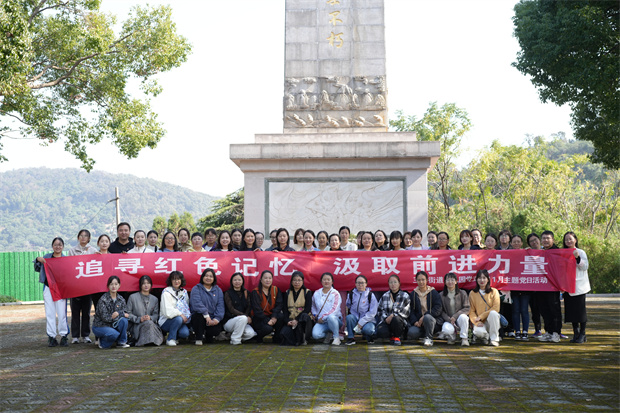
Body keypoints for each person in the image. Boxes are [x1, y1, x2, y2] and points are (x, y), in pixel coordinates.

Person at [34, 237, 69, 347]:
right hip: (48, 287)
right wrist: (37, 259)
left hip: (61, 289)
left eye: (60, 244)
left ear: (63, 246)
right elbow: (37, 268)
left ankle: (64, 336)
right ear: (52, 246)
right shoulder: (46, 257)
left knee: (62, 313)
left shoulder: (66, 259)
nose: (58, 247)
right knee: (50, 312)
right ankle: (51, 337)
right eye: (55, 244)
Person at [67, 229, 97, 344]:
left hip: (88, 287)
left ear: (89, 238)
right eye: (81, 235)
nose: (83, 237)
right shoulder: (72, 251)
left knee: (86, 312)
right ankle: (75, 336)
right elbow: (70, 267)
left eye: (86, 236)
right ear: (78, 237)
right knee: (75, 312)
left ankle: (85, 335)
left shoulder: (93, 251)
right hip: (75, 287)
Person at [563, 231, 590, 343]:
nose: (568, 241)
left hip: (579, 286)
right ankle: (576, 333)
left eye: (570, 239)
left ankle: (583, 334)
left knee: (580, 312)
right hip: (567, 286)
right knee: (571, 312)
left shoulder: (580, 252)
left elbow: (585, 267)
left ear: (575, 240)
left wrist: (577, 258)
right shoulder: (562, 252)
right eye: (566, 239)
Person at [537, 230, 563, 343]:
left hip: (553, 286)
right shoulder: (540, 252)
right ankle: (548, 331)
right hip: (541, 286)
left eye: (548, 238)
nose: (546, 240)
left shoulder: (557, 252)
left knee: (554, 310)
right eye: (544, 238)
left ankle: (556, 332)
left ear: (553, 240)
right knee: (544, 310)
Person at [92, 276, 130, 349]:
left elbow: (126, 314)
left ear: (119, 285)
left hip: (113, 325)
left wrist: (118, 314)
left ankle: (121, 342)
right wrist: (120, 315)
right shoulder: (103, 299)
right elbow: (105, 318)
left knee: (124, 321)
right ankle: (102, 342)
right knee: (114, 334)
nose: (114, 286)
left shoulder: (121, 299)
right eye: (111, 284)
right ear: (108, 286)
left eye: (116, 284)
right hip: (100, 326)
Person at [190, 268, 224, 345]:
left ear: (214, 278)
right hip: (200, 316)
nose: (208, 278)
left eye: (211, 276)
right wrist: (206, 315)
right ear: (202, 277)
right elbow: (197, 304)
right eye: (206, 276)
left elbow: (220, 306)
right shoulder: (196, 288)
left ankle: (209, 336)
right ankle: (199, 338)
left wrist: (216, 319)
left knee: (215, 331)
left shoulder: (218, 290)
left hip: (212, 317)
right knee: (198, 317)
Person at [126, 275, 163, 346]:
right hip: (137, 325)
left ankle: (150, 341)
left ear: (151, 285)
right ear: (140, 285)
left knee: (149, 323)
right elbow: (128, 313)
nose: (146, 285)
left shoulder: (155, 299)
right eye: (144, 283)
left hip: (151, 324)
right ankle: (146, 341)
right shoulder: (132, 297)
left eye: (148, 283)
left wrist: (150, 318)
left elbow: (156, 315)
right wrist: (139, 319)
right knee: (148, 323)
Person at [408, 270, 442, 346]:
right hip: (419, 323)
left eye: (423, 280)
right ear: (416, 281)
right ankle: (425, 334)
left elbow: (438, 308)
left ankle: (429, 338)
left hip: (432, 321)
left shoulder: (433, 292)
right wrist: (415, 321)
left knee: (427, 317)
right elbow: (411, 310)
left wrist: (424, 316)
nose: (421, 282)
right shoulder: (413, 294)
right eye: (419, 280)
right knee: (412, 333)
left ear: (427, 280)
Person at [280, 271, 314, 346]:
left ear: (302, 281)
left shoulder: (307, 292)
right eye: (295, 280)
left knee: (304, 316)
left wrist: (297, 320)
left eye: (299, 280)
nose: (297, 282)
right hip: (291, 319)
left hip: (302, 319)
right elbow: (285, 309)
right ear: (291, 282)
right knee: (283, 335)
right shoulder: (287, 292)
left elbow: (307, 309)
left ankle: (304, 337)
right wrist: (288, 321)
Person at [250, 270, 284, 343]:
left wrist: (274, 317)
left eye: (270, 278)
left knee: (281, 317)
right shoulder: (255, 292)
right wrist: (267, 320)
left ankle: (276, 338)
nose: (268, 280)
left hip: (272, 315)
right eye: (265, 278)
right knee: (268, 328)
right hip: (260, 318)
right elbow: (257, 310)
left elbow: (279, 305)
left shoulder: (275, 289)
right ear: (261, 280)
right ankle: (258, 337)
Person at [469, 269, 501, 347]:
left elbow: (496, 308)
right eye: (480, 278)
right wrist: (476, 322)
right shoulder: (472, 293)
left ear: (488, 279)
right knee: (479, 333)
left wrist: (481, 316)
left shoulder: (494, 291)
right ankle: (486, 337)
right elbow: (471, 311)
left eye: (484, 278)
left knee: (493, 313)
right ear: (476, 280)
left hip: (492, 321)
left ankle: (494, 339)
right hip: (480, 322)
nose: (482, 280)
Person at [223, 272, 257, 345]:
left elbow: (249, 307)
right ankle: (235, 340)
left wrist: (246, 316)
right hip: (230, 321)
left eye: (239, 280)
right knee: (243, 318)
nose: (237, 282)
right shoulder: (228, 293)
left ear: (242, 281)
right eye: (235, 280)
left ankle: (232, 335)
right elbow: (231, 309)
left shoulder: (246, 293)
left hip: (243, 321)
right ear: (232, 281)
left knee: (251, 334)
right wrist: (244, 316)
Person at [158, 271, 191, 346]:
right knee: (178, 319)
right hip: (166, 321)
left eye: (178, 279)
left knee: (185, 333)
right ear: (170, 281)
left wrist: (185, 316)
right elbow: (168, 312)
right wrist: (181, 314)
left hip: (181, 320)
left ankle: (176, 337)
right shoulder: (166, 292)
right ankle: (170, 339)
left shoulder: (184, 292)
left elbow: (186, 307)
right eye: (174, 279)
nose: (176, 281)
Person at [376, 275, 410, 346]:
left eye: (395, 282)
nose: (393, 284)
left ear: (399, 283)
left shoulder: (405, 295)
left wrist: (393, 315)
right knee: (380, 331)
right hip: (387, 321)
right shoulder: (385, 295)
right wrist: (385, 318)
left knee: (396, 319)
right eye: (391, 282)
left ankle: (397, 337)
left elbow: (406, 311)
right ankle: (391, 336)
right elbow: (380, 310)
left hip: (399, 321)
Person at [438, 273, 471, 346]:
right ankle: (452, 337)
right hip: (448, 320)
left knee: (464, 317)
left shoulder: (462, 293)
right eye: (448, 280)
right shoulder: (441, 295)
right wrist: (449, 319)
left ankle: (464, 338)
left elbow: (467, 308)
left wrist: (455, 316)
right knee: (446, 329)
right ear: (445, 282)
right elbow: (440, 311)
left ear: (456, 281)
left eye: (452, 280)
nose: (450, 282)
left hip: (459, 319)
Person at [311, 272, 343, 345]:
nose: (326, 281)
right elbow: (313, 305)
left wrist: (323, 317)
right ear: (321, 281)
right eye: (324, 279)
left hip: (334, 320)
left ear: (332, 281)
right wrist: (315, 314)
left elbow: (335, 310)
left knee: (331, 317)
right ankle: (328, 335)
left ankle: (336, 337)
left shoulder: (335, 294)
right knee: (315, 335)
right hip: (321, 322)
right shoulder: (317, 293)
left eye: (328, 279)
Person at [345, 275, 378, 345]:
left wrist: (361, 322)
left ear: (366, 284)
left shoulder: (370, 295)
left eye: (362, 283)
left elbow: (373, 312)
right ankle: (351, 338)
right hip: (355, 318)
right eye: (358, 283)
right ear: (355, 284)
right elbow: (348, 305)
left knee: (369, 330)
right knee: (349, 317)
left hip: (367, 319)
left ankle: (368, 336)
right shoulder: (351, 294)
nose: (360, 285)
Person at [510, 235, 529, 340]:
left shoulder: (526, 253)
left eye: (518, 241)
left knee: (524, 310)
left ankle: (525, 331)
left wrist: (530, 251)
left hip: (525, 288)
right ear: (511, 243)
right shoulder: (507, 254)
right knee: (515, 310)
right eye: (514, 242)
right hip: (513, 288)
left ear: (522, 243)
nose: (516, 243)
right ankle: (517, 330)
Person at [526, 233, 543, 337]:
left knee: (546, 309)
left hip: (545, 285)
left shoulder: (547, 251)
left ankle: (552, 330)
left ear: (539, 240)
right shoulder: (527, 253)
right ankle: (538, 329)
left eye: (535, 239)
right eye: (531, 241)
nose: (534, 242)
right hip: (532, 286)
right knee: (534, 309)